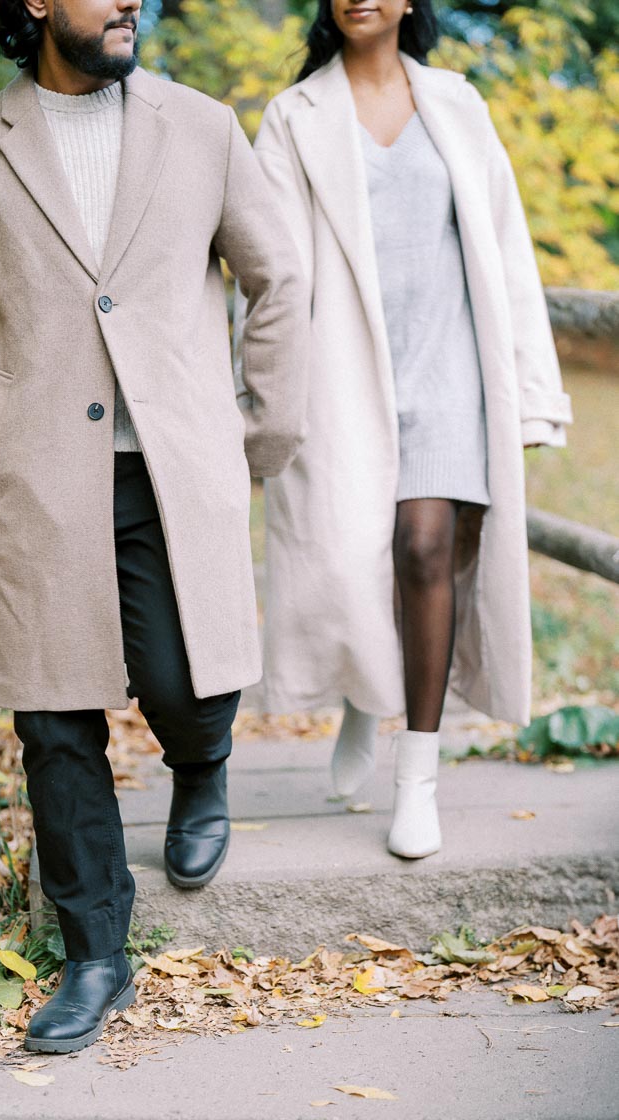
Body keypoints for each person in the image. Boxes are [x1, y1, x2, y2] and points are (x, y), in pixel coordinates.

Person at [0, 0, 309, 1052]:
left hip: (173, 468)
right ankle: (95, 955)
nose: (131, 2)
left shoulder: (202, 126)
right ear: (34, 4)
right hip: (37, 475)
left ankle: (200, 765)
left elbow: (278, 278)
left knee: (183, 676)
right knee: (54, 721)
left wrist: (263, 430)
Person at [238, 0, 571, 859]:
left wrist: (533, 394)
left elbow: (507, 247)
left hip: (452, 369)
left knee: (426, 549)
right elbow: (269, 268)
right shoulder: (294, 114)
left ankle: (417, 772)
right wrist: (263, 397)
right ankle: (362, 695)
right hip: (344, 371)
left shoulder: (458, 102)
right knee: (354, 555)